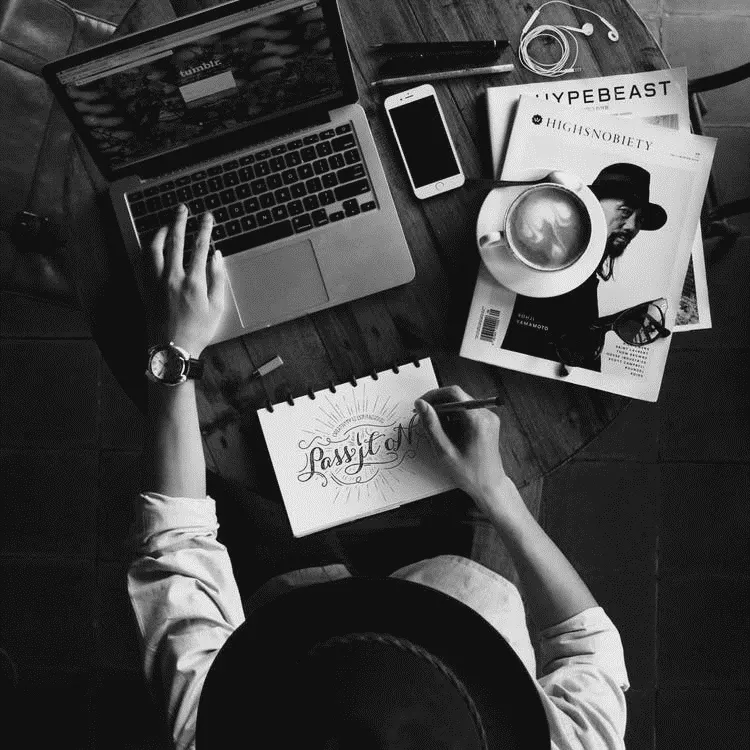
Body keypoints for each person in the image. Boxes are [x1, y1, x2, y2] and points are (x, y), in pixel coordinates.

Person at [128, 204, 630, 749]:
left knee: (243, 479)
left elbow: (177, 544)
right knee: (506, 453)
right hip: (471, 592)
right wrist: (496, 491)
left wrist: (175, 352)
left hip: (292, 611)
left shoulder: (218, 730)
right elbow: (587, 647)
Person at [500, 162, 668, 371]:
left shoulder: (585, 278)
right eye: (625, 212)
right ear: (593, 205)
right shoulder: (553, 265)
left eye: (640, 219)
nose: (633, 226)